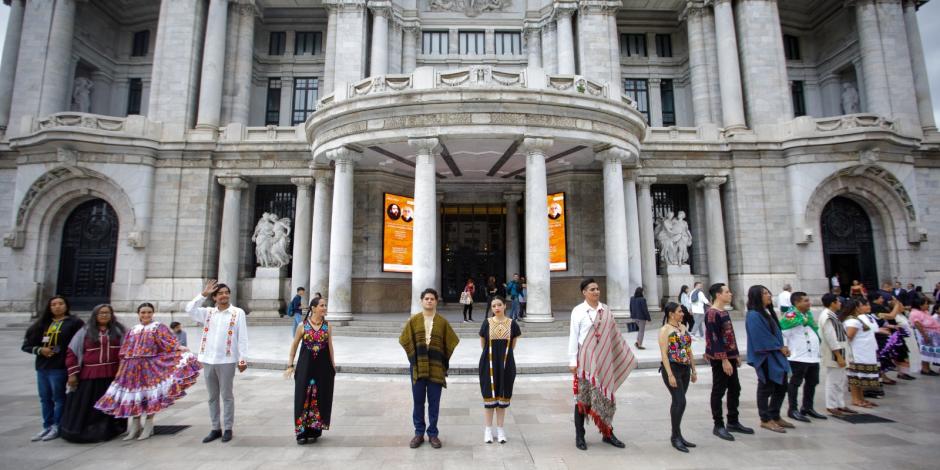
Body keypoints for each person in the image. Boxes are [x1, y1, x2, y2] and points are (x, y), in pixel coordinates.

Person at [95, 302, 201, 440]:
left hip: (150, 366)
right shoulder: (133, 329)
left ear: (152, 313)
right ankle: (135, 424)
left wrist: (179, 348)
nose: (146, 315)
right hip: (131, 368)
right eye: (143, 312)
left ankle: (149, 424)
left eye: (149, 312)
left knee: (150, 395)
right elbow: (125, 349)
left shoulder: (158, 327)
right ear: (138, 314)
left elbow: (168, 342)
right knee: (135, 396)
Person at [568, 278, 635, 451]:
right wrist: (572, 360)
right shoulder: (578, 311)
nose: (596, 292)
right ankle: (579, 435)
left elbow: (615, 336)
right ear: (584, 292)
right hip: (585, 361)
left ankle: (608, 433)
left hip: (603, 360)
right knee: (582, 400)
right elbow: (573, 337)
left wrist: (624, 355)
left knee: (606, 398)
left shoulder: (606, 310)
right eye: (592, 289)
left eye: (597, 289)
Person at [186, 280, 249, 443]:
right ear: (214, 297)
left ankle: (228, 427)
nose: (224, 295)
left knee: (227, 395)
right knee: (212, 396)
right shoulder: (208, 313)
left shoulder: (237, 313)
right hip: (208, 359)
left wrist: (243, 358)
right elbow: (189, 310)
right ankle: (215, 427)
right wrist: (202, 295)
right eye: (220, 293)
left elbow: (242, 337)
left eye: (226, 292)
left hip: (227, 359)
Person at [399, 288, 459, 449]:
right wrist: (413, 359)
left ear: (436, 301)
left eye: (432, 299)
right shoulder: (414, 320)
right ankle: (419, 433)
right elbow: (404, 339)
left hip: (435, 368)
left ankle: (433, 434)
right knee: (418, 402)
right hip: (418, 367)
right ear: (421, 301)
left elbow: (452, 341)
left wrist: (441, 360)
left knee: (434, 402)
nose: (429, 301)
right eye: (426, 298)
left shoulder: (442, 322)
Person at [21, 295, 85, 442]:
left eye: (60, 303)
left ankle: (58, 425)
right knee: (45, 398)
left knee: (59, 397)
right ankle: (47, 425)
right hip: (43, 367)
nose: (57, 307)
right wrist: (40, 350)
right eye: (53, 304)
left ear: (66, 305)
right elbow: (27, 346)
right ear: (49, 307)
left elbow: (79, 344)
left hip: (61, 366)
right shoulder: (41, 324)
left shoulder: (74, 322)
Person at [60, 304, 126, 443]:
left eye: (107, 313)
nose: (104, 315)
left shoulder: (119, 331)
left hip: (112, 374)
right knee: (88, 405)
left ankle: (109, 431)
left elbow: (127, 350)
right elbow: (72, 352)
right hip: (90, 374)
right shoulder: (85, 331)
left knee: (110, 406)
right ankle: (85, 432)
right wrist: (72, 374)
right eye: (101, 313)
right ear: (95, 315)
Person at [704, 283, 753, 441]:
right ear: (718, 295)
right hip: (720, 359)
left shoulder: (723, 311)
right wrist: (724, 359)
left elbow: (729, 334)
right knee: (719, 390)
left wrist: (735, 354)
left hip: (730, 356)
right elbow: (714, 338)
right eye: (726, 292)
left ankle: (733, 420)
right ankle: (718, 424)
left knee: (735, 388)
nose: (730, 294)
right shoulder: (712, 314)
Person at [286, 297, 335, 444]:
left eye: (325, 305)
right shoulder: (303, 325)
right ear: (313, 308)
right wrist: (290, 365)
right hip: (305, 367)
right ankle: (301, 432)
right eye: (322, 305)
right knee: (303, 396)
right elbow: (294, 346)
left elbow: (330, 347)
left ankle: (315, 429)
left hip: (323, 368)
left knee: (319, 396)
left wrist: (333, 365)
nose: (324, 308)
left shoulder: (327, 326)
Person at [745, 285, 792, 434]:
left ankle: (775, 414)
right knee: (766, 387)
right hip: (765, 356)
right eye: (764, 293)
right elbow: (760, 336)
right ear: (756, 297)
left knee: (782, 385)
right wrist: (779, 347)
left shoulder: (766, 312)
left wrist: (781, 348)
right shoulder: (753, 314)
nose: (769, 295)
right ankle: (765, 419)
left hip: (776, 354)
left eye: (768, 292)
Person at [478, 296, 522, 444]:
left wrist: (505, 356)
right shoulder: (487, 323)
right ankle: (488, 430)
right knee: (489, 398)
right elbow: (483, 343)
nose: (496, 308)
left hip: (506, 364)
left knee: (503, 397)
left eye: (499, 305)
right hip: (488, 364)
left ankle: (501, 430)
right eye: (494, 306)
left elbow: (513, 343)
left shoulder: (512, 324)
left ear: (504, 306)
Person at [779, 291, 827, 423]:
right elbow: (782, 333)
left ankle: (807, 407)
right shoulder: (790, 317)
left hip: (812, 356)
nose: (809, 303)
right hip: (798, 356)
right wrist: (785, 347)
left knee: (812, 382)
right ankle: (792, 409)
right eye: (805, 301)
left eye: (808, 300)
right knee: (795, 383)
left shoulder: (807, 315)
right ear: (796, 302)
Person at [658, 302, 696, 452]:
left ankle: (678, 435)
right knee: (680, 401)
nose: (682, 314)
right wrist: (670, 374)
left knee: (678, 401)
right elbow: (664, 355)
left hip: (685, 368)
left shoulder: (683, 327)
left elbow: (688, 350)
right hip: (673, 368)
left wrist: (694, 369)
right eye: (679, 312)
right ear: (671, 314)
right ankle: (675, 437)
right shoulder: (665, 330)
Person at [817, 293, 855, 417]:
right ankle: (831, 405)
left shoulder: (833, 315)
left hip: (841, 350)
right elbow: (831, 337)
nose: (840, 304)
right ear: (832, 303)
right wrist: (838, 355)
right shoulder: (827, 316)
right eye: (838, 301)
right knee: (833, 380)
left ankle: (840, 403)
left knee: (840, 379)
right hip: (835, 352)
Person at [842, 298, 883, 408]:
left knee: (859, 378)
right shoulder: (852, 321)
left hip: (865, 352)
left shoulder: (857, 320)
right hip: (857, 353)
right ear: (856, 308)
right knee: (855, 377)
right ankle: (856, 399)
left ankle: (861, 398)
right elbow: (848, 337)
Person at [909, 294, 940, 376]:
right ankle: (925, 369)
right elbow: (918, 324)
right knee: (926, 352)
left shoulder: (924, 311)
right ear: (920, 305)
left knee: (929, 352)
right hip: (925, 335)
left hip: (933, 334)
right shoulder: (915, 313)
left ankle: (927, 368)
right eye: (926, 304)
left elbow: (932, 301)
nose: (928, 305)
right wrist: (925, 336)